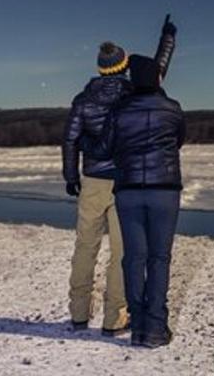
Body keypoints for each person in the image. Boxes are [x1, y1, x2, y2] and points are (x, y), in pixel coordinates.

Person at [62, 15, 177, 335]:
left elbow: (70, 138)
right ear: (124, 66)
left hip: (93, 183)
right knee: (122, 252)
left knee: (85, 246)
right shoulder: (134, 94)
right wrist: (168, 38)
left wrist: (71, 176)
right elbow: (159, 67)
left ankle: (79, 314)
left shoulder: (83, 100)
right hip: (125, 183)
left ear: (101, 68)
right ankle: (114, 318)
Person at [89, 49, 186, 348]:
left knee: (133, 258)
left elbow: (103, 149)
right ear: (155, 78)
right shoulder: (172, 108)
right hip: (164, 191)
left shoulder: (119, 110)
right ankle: (156, 328)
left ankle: (139, 326)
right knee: (159, 258)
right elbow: (179, 140)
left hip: (129, 191)